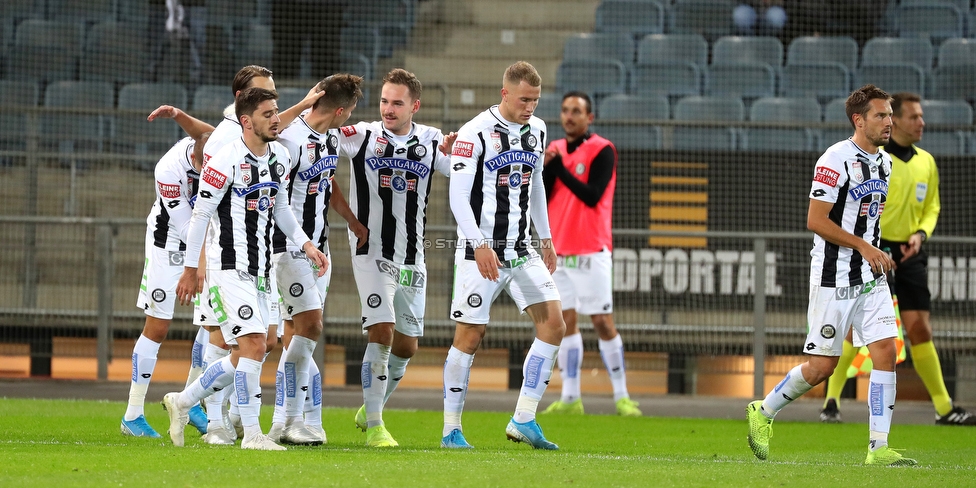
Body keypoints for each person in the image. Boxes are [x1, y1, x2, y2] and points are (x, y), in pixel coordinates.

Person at [746, 84, 917, 466]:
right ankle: (764, 410)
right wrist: (862, 246)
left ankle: (879, 448)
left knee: (886, 351)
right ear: (859, 120)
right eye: (881, 115)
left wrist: (875, 250)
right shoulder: (834, 159)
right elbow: (815, 220)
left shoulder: (885, 162)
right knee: (824, 367)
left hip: (871, 276)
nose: (889, 121)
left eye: (890, 114)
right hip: (833, 276)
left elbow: (868, 218)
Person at [162, 87, 329, 451]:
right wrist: (192, 270)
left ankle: (184, 401)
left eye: (276, 111)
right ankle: (253, 435)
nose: (275, 119)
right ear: (246, 121)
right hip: (228, 268)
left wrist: (306, 244)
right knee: (253, 344)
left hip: (262, 270)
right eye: (268, 113)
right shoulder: (224, 160)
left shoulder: (280, 157)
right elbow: (201, 216)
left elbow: (282, 209)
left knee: (260, 345)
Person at [820, 92, 974, 426]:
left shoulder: (926, 162)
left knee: (919, 327)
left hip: (911, 251)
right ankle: (832, 399)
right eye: (913, 116)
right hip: (875, 250)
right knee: (852, 330)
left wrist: (922, 233)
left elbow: (932, 206)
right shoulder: (874, 157)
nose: (921, 122)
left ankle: (944, 407)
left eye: (920, 116)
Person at [442, 61, 565, 450]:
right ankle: (451, 430)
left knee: (554, 325)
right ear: (505, 93)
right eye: (524, 99)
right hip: (481, 253)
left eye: (536, 100)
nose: (530, 107)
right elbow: (458, 196)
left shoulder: (539, 130)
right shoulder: (473, 133)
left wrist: (545, 237)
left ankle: (524, 418)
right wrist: (479, 244)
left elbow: (537, 185)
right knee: (470, 335)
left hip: (521, 249)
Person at [333, 68, 455, 447]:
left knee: (407, 346)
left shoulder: (432, 140)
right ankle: (375, 426)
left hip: (412, 256)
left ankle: (371, 404)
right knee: (382, 331)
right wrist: (350, 219)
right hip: (371, 251)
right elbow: (315, 150)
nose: (388, 108)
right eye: (384, 100)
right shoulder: (361, 136)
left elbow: (459, 172)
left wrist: (458, 154)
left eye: (397, 102)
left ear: (414, 106)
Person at [266, 73, 367, 446]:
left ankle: (301, 421)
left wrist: (352, 221)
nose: (350, 116)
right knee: (309, 327)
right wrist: (303, 242)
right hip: (288, 247)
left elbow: (329, 184)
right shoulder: (290, 141)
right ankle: (285, 420)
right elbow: (276, 199)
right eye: (351, 110)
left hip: (319, 249)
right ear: (340, 110)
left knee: (299, 335)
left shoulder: (331, 139)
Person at [539, 91, 641, 418]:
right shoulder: (552, 150)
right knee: (565, 323)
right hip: (559, 252)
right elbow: (543, 192)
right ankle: (570, 397)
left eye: (577, 111)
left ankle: (622, 396)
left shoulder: (603, 150)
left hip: (591, 251)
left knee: (602, 322)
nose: (569, 116)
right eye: (565, 110)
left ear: (589, 118)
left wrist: (560, 166)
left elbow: (592, 195)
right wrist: (547, 167)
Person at [121, 112, 214, 439]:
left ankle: (191, 401)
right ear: (195, 153)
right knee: (158, 326)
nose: (209, 173)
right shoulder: (168, 169)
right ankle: (132, 414)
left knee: (211, 323)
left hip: (207, 245)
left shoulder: (220, 151)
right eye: (204, 166)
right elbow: (188, 227)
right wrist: (196, 266)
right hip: (168, 244)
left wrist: (177, 113)